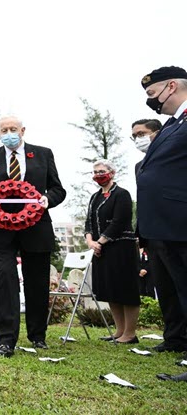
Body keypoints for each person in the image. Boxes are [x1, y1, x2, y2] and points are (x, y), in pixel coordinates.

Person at [0, 116, 66, 357]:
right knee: (5, 281)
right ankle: (6, 338)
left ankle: (38, 335)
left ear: (22, 130)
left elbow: (58, 189)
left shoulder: (43, 154)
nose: (9, 133)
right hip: (0, 229)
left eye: (13, 129)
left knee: (37, 282)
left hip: (36, 227)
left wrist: (48, 200)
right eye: (4, 130)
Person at [136, 66, 187, 382]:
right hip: (165, 226)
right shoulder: (171, 125)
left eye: (152, 95)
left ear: (172, 87)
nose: (150, 102)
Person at [132, 118, 187, 353]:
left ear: (159, 133)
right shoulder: (140, 165)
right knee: (165, 289)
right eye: (133, 135)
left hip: (174, 228)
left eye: (142, 133)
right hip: (152, 233)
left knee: (181, 286)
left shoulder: (174, 158)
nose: (137, 139)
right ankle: (173, 338)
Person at [85, 160, 140, 344]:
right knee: (110, 289)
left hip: (121, 247)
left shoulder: (121, 194)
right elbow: (89, 223)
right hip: (101, 249)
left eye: (102, 171)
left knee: (125, 289)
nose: (98, 174)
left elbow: (119, 221)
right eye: (95, 171)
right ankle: (119, 330)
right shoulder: (95, 197)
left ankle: (130, 333)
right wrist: (90, 241)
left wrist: (100, 241)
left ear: (112, 172)